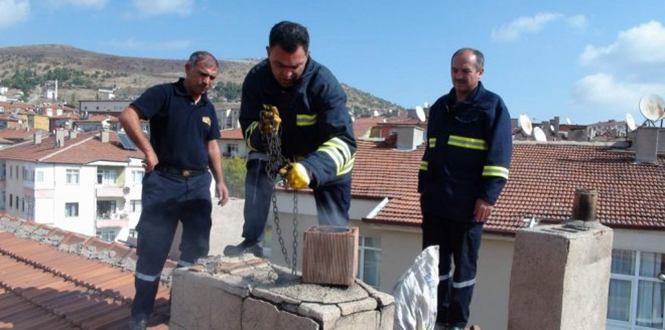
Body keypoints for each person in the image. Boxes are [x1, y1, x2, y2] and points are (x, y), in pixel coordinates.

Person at [224, 21, 356, 257]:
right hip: (280, 154)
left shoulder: (324, 84)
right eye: (278, 64)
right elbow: (248, 134)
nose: (286, 73)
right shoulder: (256, 80)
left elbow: (344, 142)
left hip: (324, 165)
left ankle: (333, 264)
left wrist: (310, 169)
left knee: (333, 233)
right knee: (257, 161)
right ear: (267, 53)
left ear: (308, 55)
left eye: (295, 66)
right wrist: (263, 132)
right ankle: (252, 242)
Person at [119, 51, 230, 330]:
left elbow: (212, 146)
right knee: (153, 250)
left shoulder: (208, 108)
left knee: (195, 251)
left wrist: (220, 181)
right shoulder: (164, 94)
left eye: (212, 78)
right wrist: (147, 150)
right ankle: (140, 316)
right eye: (202, 75)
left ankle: (180, 307)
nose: (207, 82)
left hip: (198, 186)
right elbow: (128, 116)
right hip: (163, 183)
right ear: (188, 69)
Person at [419, 48, 511, 330]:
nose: (459, 76)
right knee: (435, 265)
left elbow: (499, 157)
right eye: (454, 70)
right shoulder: (439, 107)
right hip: (436, 202)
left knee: (464, 268)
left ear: (480, 72)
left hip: (469, 205)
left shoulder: (492, 107)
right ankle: (436, 317)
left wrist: (488, 197)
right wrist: (423, 188)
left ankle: (457, 322)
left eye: (465, 71)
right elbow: (430, 152)